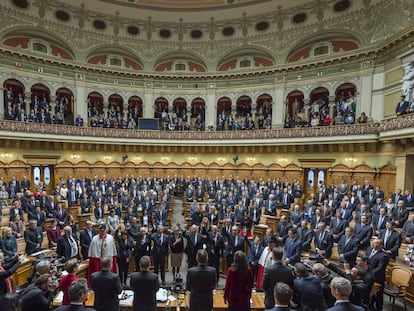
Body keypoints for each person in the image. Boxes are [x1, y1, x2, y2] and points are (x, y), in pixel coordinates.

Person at [366, 238, 389, 311]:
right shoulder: (369, 249)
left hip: (377, 278)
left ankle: (379, 308)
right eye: (373, 243)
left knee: (378, 296)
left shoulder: (383, 256)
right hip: (368, 276)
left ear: (381, 245)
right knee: (370, 293)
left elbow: (380, 268)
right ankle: (370, 306)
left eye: (376, 243)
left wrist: (370, 273)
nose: (374, 244)